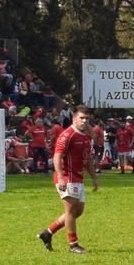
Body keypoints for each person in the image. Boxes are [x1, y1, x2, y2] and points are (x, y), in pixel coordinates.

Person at [37, 107, 98, 253]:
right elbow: (57, 157)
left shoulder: (86, 136)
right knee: (70, 211)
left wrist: (94, 177)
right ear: (74, 119)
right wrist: (61, 177)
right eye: (82, 118)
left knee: (78, 211)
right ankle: (73, 245)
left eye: (87, 118)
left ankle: (47, 233)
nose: (84, 121)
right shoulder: (67, 135)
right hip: (67, 177)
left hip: (78, 177)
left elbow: (88, 158)